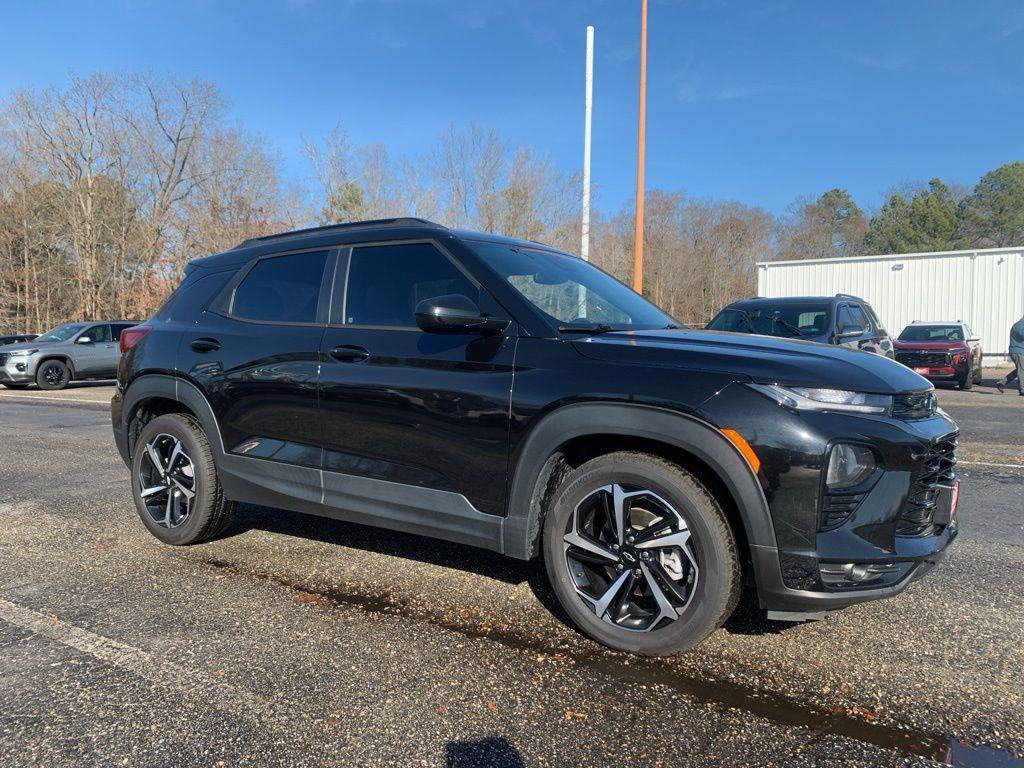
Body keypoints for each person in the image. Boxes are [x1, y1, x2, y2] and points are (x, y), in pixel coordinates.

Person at [996, 315, 1024, 395]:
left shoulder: (1017, 324)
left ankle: (1002, 383)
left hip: (1017, 350)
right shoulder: (1020, 325)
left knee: (1020, 369)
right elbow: (1022, 335)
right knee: (1021, 370)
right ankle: (1022, 390)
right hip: (1018, 351)